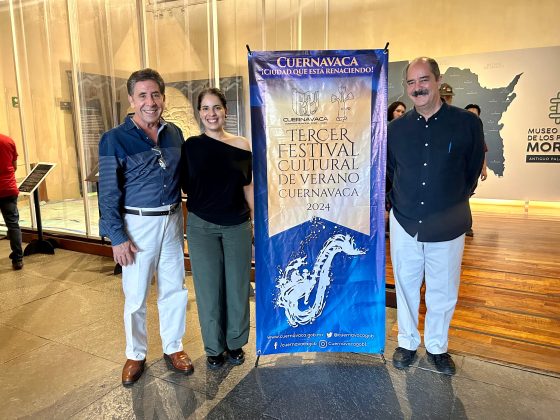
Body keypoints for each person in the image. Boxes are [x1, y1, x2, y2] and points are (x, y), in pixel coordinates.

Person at [387, 57, 485, 375]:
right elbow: (391, 172)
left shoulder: (467, 124)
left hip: (448, 223)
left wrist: (451, 200)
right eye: (411, 82)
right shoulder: (395, 130)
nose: (418, 88)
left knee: (443, 289)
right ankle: (406, 342)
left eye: (424, 80)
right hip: (405, 221)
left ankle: (437, 347)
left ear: (438, 81)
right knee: (405, 284)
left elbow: (472, 171)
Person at [98, 68, 193, 387]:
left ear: (163, 98)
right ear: (131, 99)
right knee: (136, 294)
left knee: (175, 288)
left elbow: (185, 178)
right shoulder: (114, 139)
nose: (150, 102)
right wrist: (117, 237)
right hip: (137, 225)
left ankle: (173, 347)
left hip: (172, 219)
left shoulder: (174, 133)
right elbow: (108, 193)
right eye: (142, 95)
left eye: (155, 94)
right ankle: (135, 354)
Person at [181, 87, 253, 370]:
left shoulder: (241, 145)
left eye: (216, 107)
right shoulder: (191, 146)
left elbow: (248, 186)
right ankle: (213, 347)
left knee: (237, 287)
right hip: (201, 227)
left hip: (237, 225)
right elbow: (184, 186)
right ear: (199, 113)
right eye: (205, 108)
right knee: (208, 289)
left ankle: (235, 343)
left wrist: (255, 223)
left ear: (226, 110)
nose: (211, 114)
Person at [464, 104, 489, 237]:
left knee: (465, 197)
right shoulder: (457, 130)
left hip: (472, 172)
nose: (472, 116)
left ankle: (467, 226)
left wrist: (484, 169)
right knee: (462, 198)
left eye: (475, 114)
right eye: (469, 113)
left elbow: (482, 151)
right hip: (458, 171)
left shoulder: (478, 133)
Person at [0, 133, 23, 270]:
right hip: (8, 188)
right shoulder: (8, 141)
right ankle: (18, 259)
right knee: (13, 225)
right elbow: (14, 166)